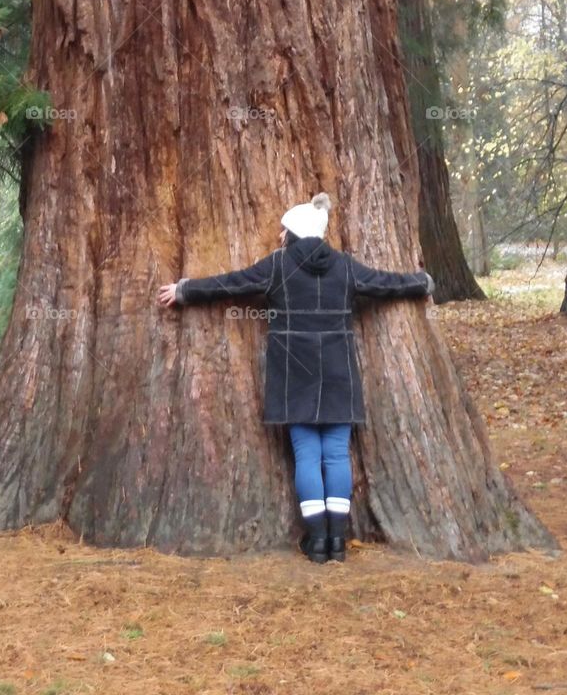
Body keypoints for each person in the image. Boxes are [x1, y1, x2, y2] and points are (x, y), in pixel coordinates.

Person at [157, 192, 434, 564]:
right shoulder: (344, 266)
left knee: (307, 454)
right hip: (338, 371)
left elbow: (232, 283)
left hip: (294, 373)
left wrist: (185, 290)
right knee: (336, 454)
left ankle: (316, 540)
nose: (279, 236)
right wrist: (421, 282)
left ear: (294, 233)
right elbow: (386, 283)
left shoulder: (278, 265)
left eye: (283, 230)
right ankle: (337, 542)